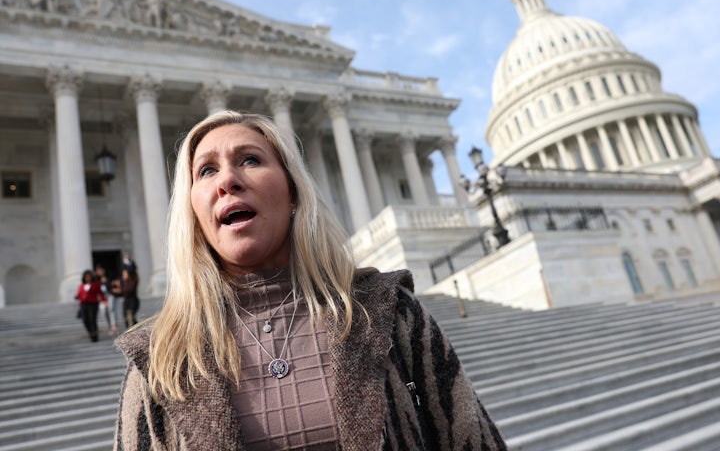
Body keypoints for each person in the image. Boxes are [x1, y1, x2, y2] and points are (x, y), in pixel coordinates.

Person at [114, 111, 505, 450]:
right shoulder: (159, 355)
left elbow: (472, 438)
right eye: (207, 170)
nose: (227, 180)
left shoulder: (384, 311)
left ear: (294, 193)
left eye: (250, 160)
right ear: (193, 212)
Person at [74, 269, 107, 342]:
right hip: (84, 304)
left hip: (93, 304)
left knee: (92, 319)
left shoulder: (96, 284)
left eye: (89, 277)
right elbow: (79, 294)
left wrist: (104, 300)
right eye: (86, 277)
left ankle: (94, 336)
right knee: (85, 320)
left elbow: (100, 293)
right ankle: (90, 333)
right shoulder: (81, 286)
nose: (88, 278)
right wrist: (76, 296)